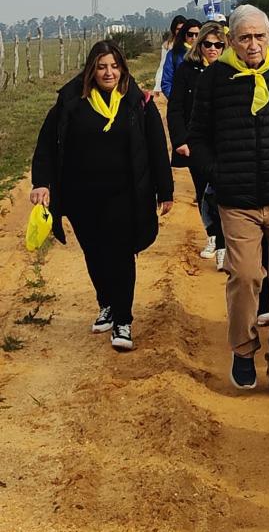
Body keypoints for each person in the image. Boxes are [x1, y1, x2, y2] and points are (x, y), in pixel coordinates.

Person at [189, 4, 269, 397]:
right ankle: (243, 350)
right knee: (244, 276)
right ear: (232, 41)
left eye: (260, 36)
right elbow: (199, 135)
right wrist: (218, 174)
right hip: (237, 199)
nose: (253, 44)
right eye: (245, 37)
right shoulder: (214, 79)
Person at [30, 41, 174, 351]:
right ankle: (106, 302)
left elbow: (156, 149)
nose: (108, 72)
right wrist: (41, 183)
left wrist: (166, 190)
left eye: (114, 66)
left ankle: (123, 319)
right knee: (94, 253)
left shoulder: (139, 102)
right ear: (91, 70)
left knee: (120, 256)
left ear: (122, 68)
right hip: (81, 196)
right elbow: (47, 146)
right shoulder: (71, 102)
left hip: (125, 195)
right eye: (101, 67)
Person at [167, 20, 227, 267]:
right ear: (199, 45)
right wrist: (181, 140)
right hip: (197, 145)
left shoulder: (230, 71)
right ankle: (212, 236)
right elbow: (176, 108)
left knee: (223, 193)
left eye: (218, 44)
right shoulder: (186, 70)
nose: (213, 49)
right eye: (208, 44)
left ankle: (224, 243)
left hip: (225, 145)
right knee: (204, 193)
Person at [160, 18, 201, 98]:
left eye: (197, 34)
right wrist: (176, 100)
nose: (194, 37)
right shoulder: (174, 54)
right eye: (190, 34)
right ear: (184, 34)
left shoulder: (207, 53)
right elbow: (166, 82)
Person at [153, 16, 186, 94]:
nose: (180, 31)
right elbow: (163, 65)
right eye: (178, 29)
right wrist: (158, 85)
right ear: (174, 29)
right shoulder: (168, 46)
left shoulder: (192, 43)